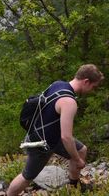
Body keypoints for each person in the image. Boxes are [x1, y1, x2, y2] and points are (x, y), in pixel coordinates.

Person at [7, 64, 104, 196]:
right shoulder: (69, 102)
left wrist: (76, 155)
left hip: (48, 135)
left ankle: (74, 187)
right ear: (86, 81)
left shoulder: (58, 84)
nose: (93, 90)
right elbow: (66, 137)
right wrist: (77, 159)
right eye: (93, 87)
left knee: (82, 149)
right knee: (27, 176)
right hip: (42, 144)